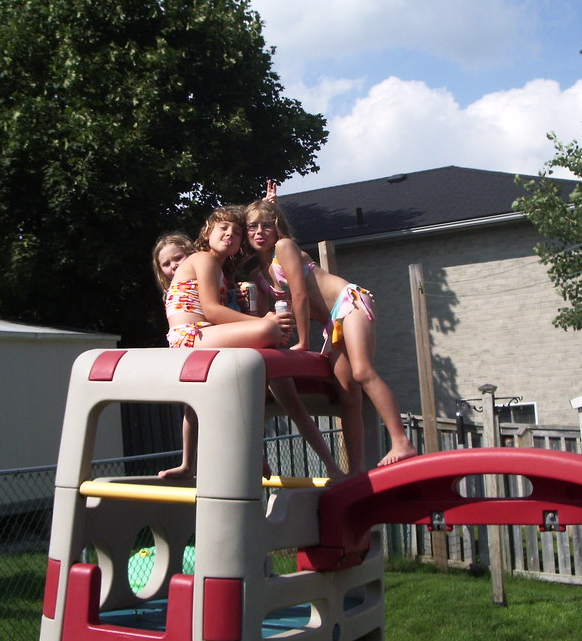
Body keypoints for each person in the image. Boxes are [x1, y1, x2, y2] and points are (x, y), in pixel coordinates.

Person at [154, 206, 345, 480]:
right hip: (191, 336)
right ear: (207, 232)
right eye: (223, 229)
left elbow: (221, 315)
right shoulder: (204, 260)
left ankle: (331, 465)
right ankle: (208, 462)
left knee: (286, 392)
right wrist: (261, 324)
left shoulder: (221, 272)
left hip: (204, 335)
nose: (230, 235)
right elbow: (211, 311)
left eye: (236, 232)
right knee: (268, 329)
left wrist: (252, 318)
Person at [245, 195, 418, 473]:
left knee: (362, 373)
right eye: (252, 227)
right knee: (347, 396)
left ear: (277, 228)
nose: (259, 232)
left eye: (266, 225)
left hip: (348, 302)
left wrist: (302, 343)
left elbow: (300, 295)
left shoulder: (284, 247)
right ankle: (355, 471)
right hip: (331, 324)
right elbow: (267, 322)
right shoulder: (258, 277)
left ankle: (401, 442)